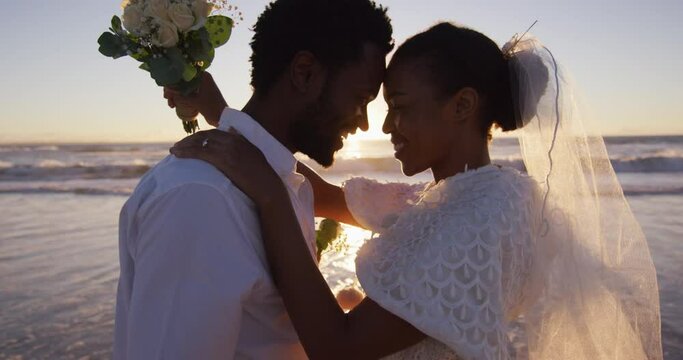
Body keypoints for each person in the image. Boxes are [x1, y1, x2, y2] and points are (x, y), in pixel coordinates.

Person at [171, 22, 663, 359]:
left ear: (462, 105)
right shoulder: (465, 197)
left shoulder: (480, 218)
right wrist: (225, 114)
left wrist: (272, 199)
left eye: (401, 106)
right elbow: (322, 195)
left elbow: (336, 349)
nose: (386, 125)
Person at [112, 0, 394, 358]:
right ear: (304, 72)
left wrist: (223, 115)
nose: (365, 123)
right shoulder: (201, 199)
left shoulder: (283, 184)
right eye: (360, 98)